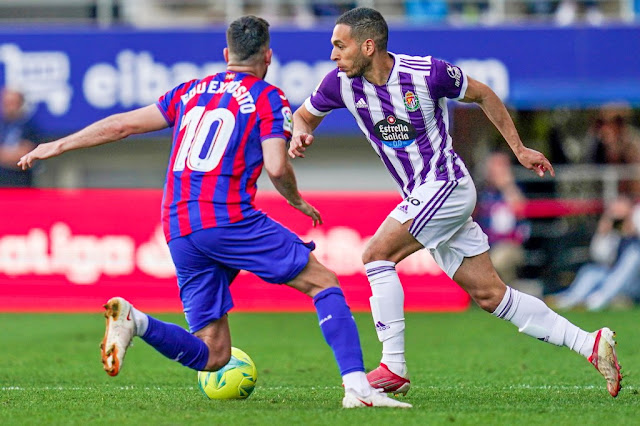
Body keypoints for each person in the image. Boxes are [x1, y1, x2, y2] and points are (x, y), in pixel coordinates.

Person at [17, 15, 409, 409]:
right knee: (323, 283)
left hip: (177, 223)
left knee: (214, 353)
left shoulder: (190, 91)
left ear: (226, 54)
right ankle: (358, 388)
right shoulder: (268, 97)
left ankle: (135, 321)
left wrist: (58, 145)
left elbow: (122, 125)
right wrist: (295, 199)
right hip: (226, 218)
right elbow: (276, 166)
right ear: (267, 56)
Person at [289, 7, 622, 398]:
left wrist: (518, 149)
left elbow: (483, 94)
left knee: (376, 254)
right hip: (422, 196)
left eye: (339, 45)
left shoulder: (426, 73)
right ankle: (590, 343)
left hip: (446, 185)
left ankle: (393, 366)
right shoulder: (340, 84)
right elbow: (303, 116)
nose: (333, 54)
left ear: (368, 45)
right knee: (491, 296)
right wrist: (299, 133)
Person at [552, 196, 640, 311]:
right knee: (591, 271)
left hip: (635, 283)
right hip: (615, 280)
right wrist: (604, 233)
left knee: (633, 254)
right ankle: (571, 299)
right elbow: (599, 257)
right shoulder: (614, 233)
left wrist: (632, 229)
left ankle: (599, 299)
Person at [474, 152, 528, 285]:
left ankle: (507, 297)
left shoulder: (514, 190)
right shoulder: (483, 192)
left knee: (499, 260)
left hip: (509, 245)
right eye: (494, 166)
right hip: (484, 245)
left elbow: (521, 210)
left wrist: (507, 186)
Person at [0, 88, 39, 187]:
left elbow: (25, 156)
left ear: (20, 103)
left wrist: (5, 155)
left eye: (13, 102)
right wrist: (12, 154)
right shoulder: (2, 125)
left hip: (20, 184)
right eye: (6, 103)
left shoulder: (29, 127)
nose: (9, 107)